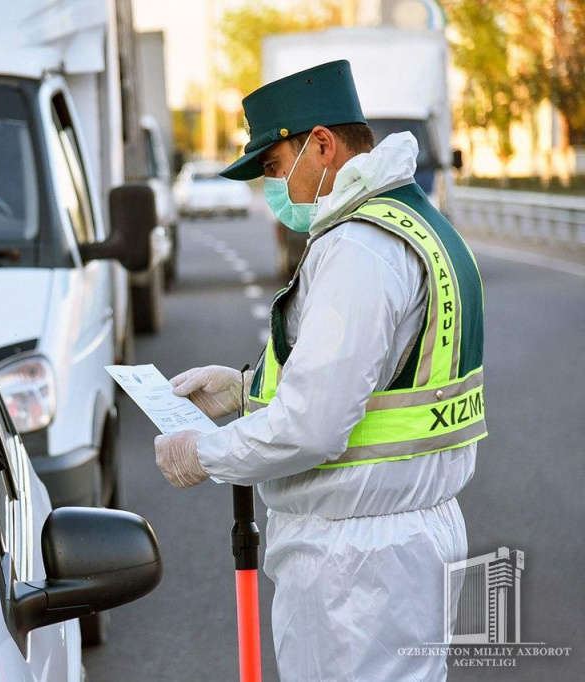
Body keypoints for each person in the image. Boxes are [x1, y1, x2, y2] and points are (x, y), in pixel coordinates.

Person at [153, 60, 485, 680]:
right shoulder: (421, 227)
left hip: (354, 568)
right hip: (408, 538)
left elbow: (313, 427)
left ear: (322, 146)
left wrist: (206, 454)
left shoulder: (357, 248)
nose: (272, 190)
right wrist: (244, 388)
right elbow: (376, 380)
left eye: (275, 168)